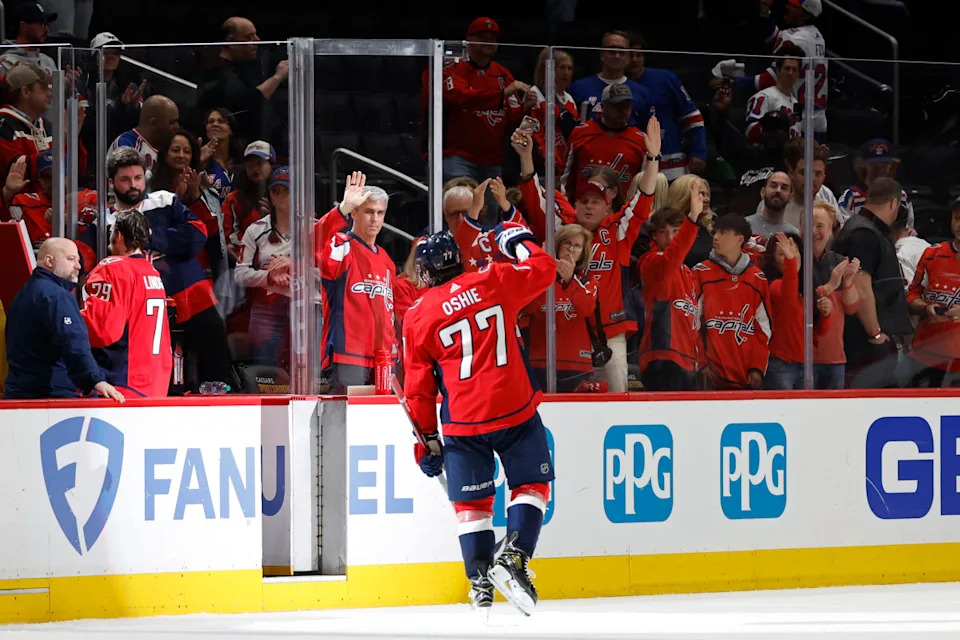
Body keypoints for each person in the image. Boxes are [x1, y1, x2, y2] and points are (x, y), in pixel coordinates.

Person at [401, 224, 556, 615]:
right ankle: (515, 556)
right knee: (531, 485)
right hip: (513, 407)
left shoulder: (418, 315)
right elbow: (545, 268)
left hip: (463, 421)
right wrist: (517, 241)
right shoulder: (495, 278)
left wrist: (426, 441)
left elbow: (418, 389)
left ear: (426, 271)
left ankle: (480, 584)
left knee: (472, 506)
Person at [516, 117, 662, 392]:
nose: (589, 206)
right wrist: (526, 157)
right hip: (568, 334)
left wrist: (652, 157)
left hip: (609, 334)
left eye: (596, 202)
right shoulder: (564, 227)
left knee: (617, 401)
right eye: (583, 200)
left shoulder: (618, 230)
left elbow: (643, 200)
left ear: (608, 207)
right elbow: (535, 198)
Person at [107, 147, 234, 392]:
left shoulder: (164, 200)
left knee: (215, 362)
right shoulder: (107, 221)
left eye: (138, 178)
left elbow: (197, 235)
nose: (133, 185)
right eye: (125, 180)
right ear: (112, 183)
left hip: (190, 293)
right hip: (143, 304)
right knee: (166, 376)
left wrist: (150, 236)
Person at [3, 237, 124, 402]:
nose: (78, 266)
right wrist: (95, 380)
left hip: (20, 393)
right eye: (71, 259)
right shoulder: (56, 296)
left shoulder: (24, 293)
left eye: (78, 259)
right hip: (51, 395)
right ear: (49, 261)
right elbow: (73, 341)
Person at [317, 175, 396, 393]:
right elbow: (311, 245)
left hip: (383, 357)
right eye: (369, 212)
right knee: (349, 424)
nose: (375, 219)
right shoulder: (341, 245)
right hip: (348, 354)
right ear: (355, 213)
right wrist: (342, 208)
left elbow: (389, 313)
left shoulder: (387, 260)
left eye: (380, 213)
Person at [81, 210, 173, 398]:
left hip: (123, 382)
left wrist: (69, 319)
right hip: (156, 380)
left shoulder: (112, 269)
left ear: (119, 236)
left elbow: (102, 332)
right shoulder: (152, 272)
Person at [832, 178, 913, 388]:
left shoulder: (863, 229)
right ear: (894, 203)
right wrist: (875, 333)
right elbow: (861, 286)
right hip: (865, 343)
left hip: (866, 340)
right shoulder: (865, 234)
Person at [435, 17, 525, 187]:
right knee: (460, 210)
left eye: (492, 38)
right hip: (459, 158)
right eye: (482, 36)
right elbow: (458, 96)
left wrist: (525, 107)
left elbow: (513, 115)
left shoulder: (502, 73)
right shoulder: (454, 68)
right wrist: (501, 94)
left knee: (490, 213)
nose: (488, 41)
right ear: (468, 39)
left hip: (493, 162)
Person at [638, 180, 705, 391]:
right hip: (662, 355)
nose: (669, 237)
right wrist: (692, 219)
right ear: (654, 235)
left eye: (676, 231)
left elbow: (694, 320)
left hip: (688, 359)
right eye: (663, 232)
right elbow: (671, 257)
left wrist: (700, 360)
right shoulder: (651, 261)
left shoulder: (689, 273)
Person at [694, 214, 772, 390]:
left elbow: (763, 329)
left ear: (739, 239)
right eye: (715, 232)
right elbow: (692, 323)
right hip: (710, 375)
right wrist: (701, 363)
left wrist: (757, 368)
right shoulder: (700, 272)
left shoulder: (757, 279)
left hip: (745, 376)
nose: (716, 237)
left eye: (723, 232)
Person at [734, 0, 828, 139]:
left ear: (805, 14)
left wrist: (732, 82)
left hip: (797, 120)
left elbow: (769, 80)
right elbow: (776, 37)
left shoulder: (793, 38)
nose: (787, 6)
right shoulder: (817, 36)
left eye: (794, 5)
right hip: (817, 119)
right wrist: (765, 13)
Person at [522, 223, 598, 391]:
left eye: (577, 246)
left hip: (576, 364)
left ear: (582, 253)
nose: (571, 249)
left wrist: (570, 280)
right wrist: (542, 268)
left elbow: (586, 309)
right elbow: (527, 308)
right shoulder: (539, 278)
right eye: (567, 243)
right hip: (540, 361)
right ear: (556, 246)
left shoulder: (587, 281)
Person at [234, 167, 293, 369]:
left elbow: (329, 271)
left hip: (304, 307)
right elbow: (239, 274)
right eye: (276, 190)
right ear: (269, 195)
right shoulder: (256, 229)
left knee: (310, 375)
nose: (281, 195)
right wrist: (269, 277)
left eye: (286, 190)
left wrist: (296, 270)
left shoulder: (314, 228)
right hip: (266, 310)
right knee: (267, 375)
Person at [197, 17, 289, 148]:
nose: (257, 40)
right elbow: (248, 101)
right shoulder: (216, 73)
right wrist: (277, 77)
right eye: (249, 37)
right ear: (232, 42)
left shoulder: (246, 66)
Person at [625, 33, 707, 180]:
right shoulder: (613, 86)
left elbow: (692, 117)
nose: (635, 60)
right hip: (629, 164)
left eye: (639, 55)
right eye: (630, 55)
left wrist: (698, 152)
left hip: (671, 165)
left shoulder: (665, 79)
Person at [0, 64, 87, 195]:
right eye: (43, 88)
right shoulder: (4, 125)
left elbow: (77, 171)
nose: (50, 93)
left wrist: (71, 140)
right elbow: (16, 169)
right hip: (17, 211)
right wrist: (55, 152)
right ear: (25, 92)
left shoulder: (46, 125)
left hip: (50, 207)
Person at [2, 151, 98, 266]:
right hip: (37, 268)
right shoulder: (24, 202)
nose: (54, 182)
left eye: (60, 175)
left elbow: (98, 238)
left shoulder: (91, 199)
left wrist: (69, 224)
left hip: (79, 268)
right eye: (47, 177)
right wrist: (7, 192)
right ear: (39, 181)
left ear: (70, 176)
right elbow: (5, 228)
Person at [763, 232, 832, 389]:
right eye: (783, 253)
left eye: (795, 251)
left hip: (805, 365)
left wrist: (825, 314)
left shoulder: (804, 291)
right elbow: (788, 297)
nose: (791, 256)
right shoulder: (774, 286)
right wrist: (791, 264)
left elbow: (816, 333)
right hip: (781, 366)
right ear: (773, 261)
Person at [904, 202, 960, 387]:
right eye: (957, 218)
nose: (959, 224)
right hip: (925, 357)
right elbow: (912, 296)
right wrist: (926, 308)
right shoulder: (931, 254)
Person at [561, 83, 648, 202]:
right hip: (583, 209)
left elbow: (647, 185)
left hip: (623, 215)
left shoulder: (641, 141)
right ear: (603, 106)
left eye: (626, 106)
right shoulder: (581, 133)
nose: (622, 111)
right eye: (617, 106)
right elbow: (565, 178)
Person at [811, 202, 861, 389]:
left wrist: (847, 281)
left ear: (831, 230)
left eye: (820, 226)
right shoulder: (794, 260)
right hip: (800, 359)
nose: (814, 231)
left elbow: (851, 308)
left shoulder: (839, 262)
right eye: (808, 225)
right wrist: (831, 285)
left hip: (834, 357)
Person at [568, 31, 652, 128]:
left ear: (628, 57)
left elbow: (647, 132)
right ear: (602, 55)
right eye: (612, 51)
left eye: (621, 52)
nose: (616, 56)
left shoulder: (642, 93)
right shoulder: (579, 88)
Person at [82, 32, 148, 153]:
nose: (111, 57)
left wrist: (134, 108)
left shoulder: (130, 87)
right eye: (105, 52)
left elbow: (135, 127)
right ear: (94, 56)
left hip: (123, 149)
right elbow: (88, 129)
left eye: (115, 53)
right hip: (93, 151)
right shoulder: (83, 86)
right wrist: (121, 107)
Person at [754, 138, 838, 231]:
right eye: (804, 172)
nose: (812, 179)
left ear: (824, 177)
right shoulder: (770, 205)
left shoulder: (829, 209)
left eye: (818, 174)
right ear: (791, 173)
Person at [525, 48, 579, 179]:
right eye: (561, 68)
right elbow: (529, 132)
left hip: (564, 168)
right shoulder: (535, 94)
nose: (566, 73)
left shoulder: (570, 99)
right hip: (543, 167)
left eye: (569, 68)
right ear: (548, 70)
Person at [838, 139, 914, 228]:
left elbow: (908, 229)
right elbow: (845, 233)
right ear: (863, 163)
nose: (880, 168)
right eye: (875, 164)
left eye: (884, 164)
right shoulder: (851, 197)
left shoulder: (901, 195)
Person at [456, 177, 525, 273]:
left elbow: (522, 234)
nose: (460, 219)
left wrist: (504, 202)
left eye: (465, 213)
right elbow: (461, 245)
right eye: (453, 213)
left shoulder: (495, 236)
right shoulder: (443, 245)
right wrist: (474, 210)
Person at [223, 140, 274, 258]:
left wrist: (275, 219)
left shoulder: (287, 195)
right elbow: (228, 238)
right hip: (245, 262)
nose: (255, 168)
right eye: (249, 165)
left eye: (259, 163)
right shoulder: (233, 200)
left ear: (271, 164)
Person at [108, 95, 180, 179]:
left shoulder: (166, 147)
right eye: (172, 123)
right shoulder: (126, 146)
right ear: (154, 123)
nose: (177, 127)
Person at [745, 46, 804, 142]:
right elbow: (750, 132)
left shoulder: (795, 103)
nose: (790, 73)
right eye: (787, 68)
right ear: (778, 70)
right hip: (768, 155)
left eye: (794, 69)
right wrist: (781, 122)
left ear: (798, 73)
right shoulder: (764, 97)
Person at [0, 2, 58, 77]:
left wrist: (65, 85)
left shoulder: (47, 60)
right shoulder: (6, 62)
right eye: (42, 24)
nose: (47, 30)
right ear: (23, 26)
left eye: (47, 24)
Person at [200, 107, 240, 203]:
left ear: (231, 130)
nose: (215, 124)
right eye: (210, 121)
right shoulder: (199, 159)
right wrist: (198, 163)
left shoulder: (242, 159)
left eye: (221, 121)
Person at [746, 171, 800, 238]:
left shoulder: (794, 235)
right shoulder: (744, 227)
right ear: (763, 192)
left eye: (784, 188)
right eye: (773, 186)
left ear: (790, 197)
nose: (778, 190)